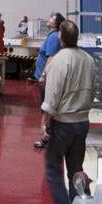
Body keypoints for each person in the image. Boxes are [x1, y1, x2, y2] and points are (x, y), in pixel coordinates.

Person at [39, 19, 96, 204]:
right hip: (82, 122)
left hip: (63, 124)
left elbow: (52, 96)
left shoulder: (59, 60)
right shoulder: (88, 59)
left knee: (53, 169)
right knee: (76, 170)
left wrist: (44, 123)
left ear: (60, 37)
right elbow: (93, 90)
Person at [32, 13, 63, 148]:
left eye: (52, 18)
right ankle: (48, 137)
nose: (49, 19)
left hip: (48, 79)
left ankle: (47, 137)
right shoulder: (52, 35)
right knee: (46, 107)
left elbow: (50, 58)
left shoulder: (53, 37)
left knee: (48, 109)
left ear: (55, 23)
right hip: (47, 79)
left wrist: (44, 74)